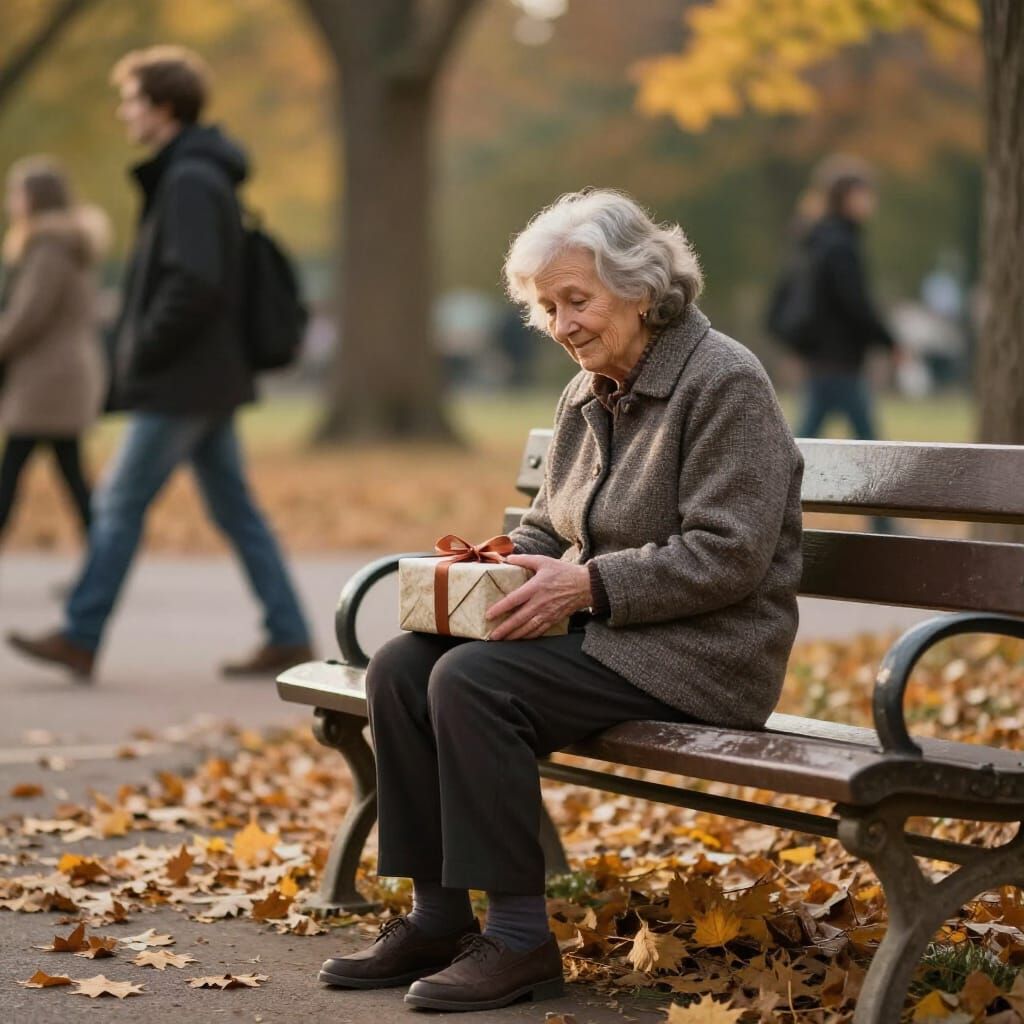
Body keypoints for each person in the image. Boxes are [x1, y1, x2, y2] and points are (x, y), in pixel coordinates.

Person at [317, 190, 804, 1011]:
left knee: (473, 682)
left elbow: (729, 555)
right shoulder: (587, 392)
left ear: (643, 290)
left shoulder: (725, 383)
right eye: (546, 307)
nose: (562, 323)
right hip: (614, 630)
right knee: (403, 665)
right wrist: (501, 568)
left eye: (577, 300)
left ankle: (518, 940)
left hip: (707, 652)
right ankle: (436, 916)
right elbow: (549, 524)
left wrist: (587, 585)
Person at [6, 46, 312, 681]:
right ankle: (288, 633)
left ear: (162, 106)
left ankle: (81, 635)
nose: (124, 113)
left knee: (119, 501)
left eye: (131, 100)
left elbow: (196, 284)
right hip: (205, 373)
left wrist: (143, 344)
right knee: (234, 508)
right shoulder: (193, 173)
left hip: (184, 376)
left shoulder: (191, 179)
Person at [0, 157, 108, 558]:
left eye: (17, 193)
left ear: (35, 199)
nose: (12, 202)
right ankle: (103, 560)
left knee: (13, 470)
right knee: (70, 474)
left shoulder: (49, 248)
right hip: (62, 376)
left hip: (47, 379)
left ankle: (104, 560)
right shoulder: (67, 244)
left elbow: (28, 316)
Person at [791, 156, 898, 442]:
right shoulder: (839, 244)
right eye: (864, 195)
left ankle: (779, 478)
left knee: (810, 434)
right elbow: (855, 304)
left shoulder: (822, 238)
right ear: (847, 198)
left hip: (826, 356)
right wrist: (889, 341)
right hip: (838, 357)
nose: (870, 202)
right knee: (868, 443)